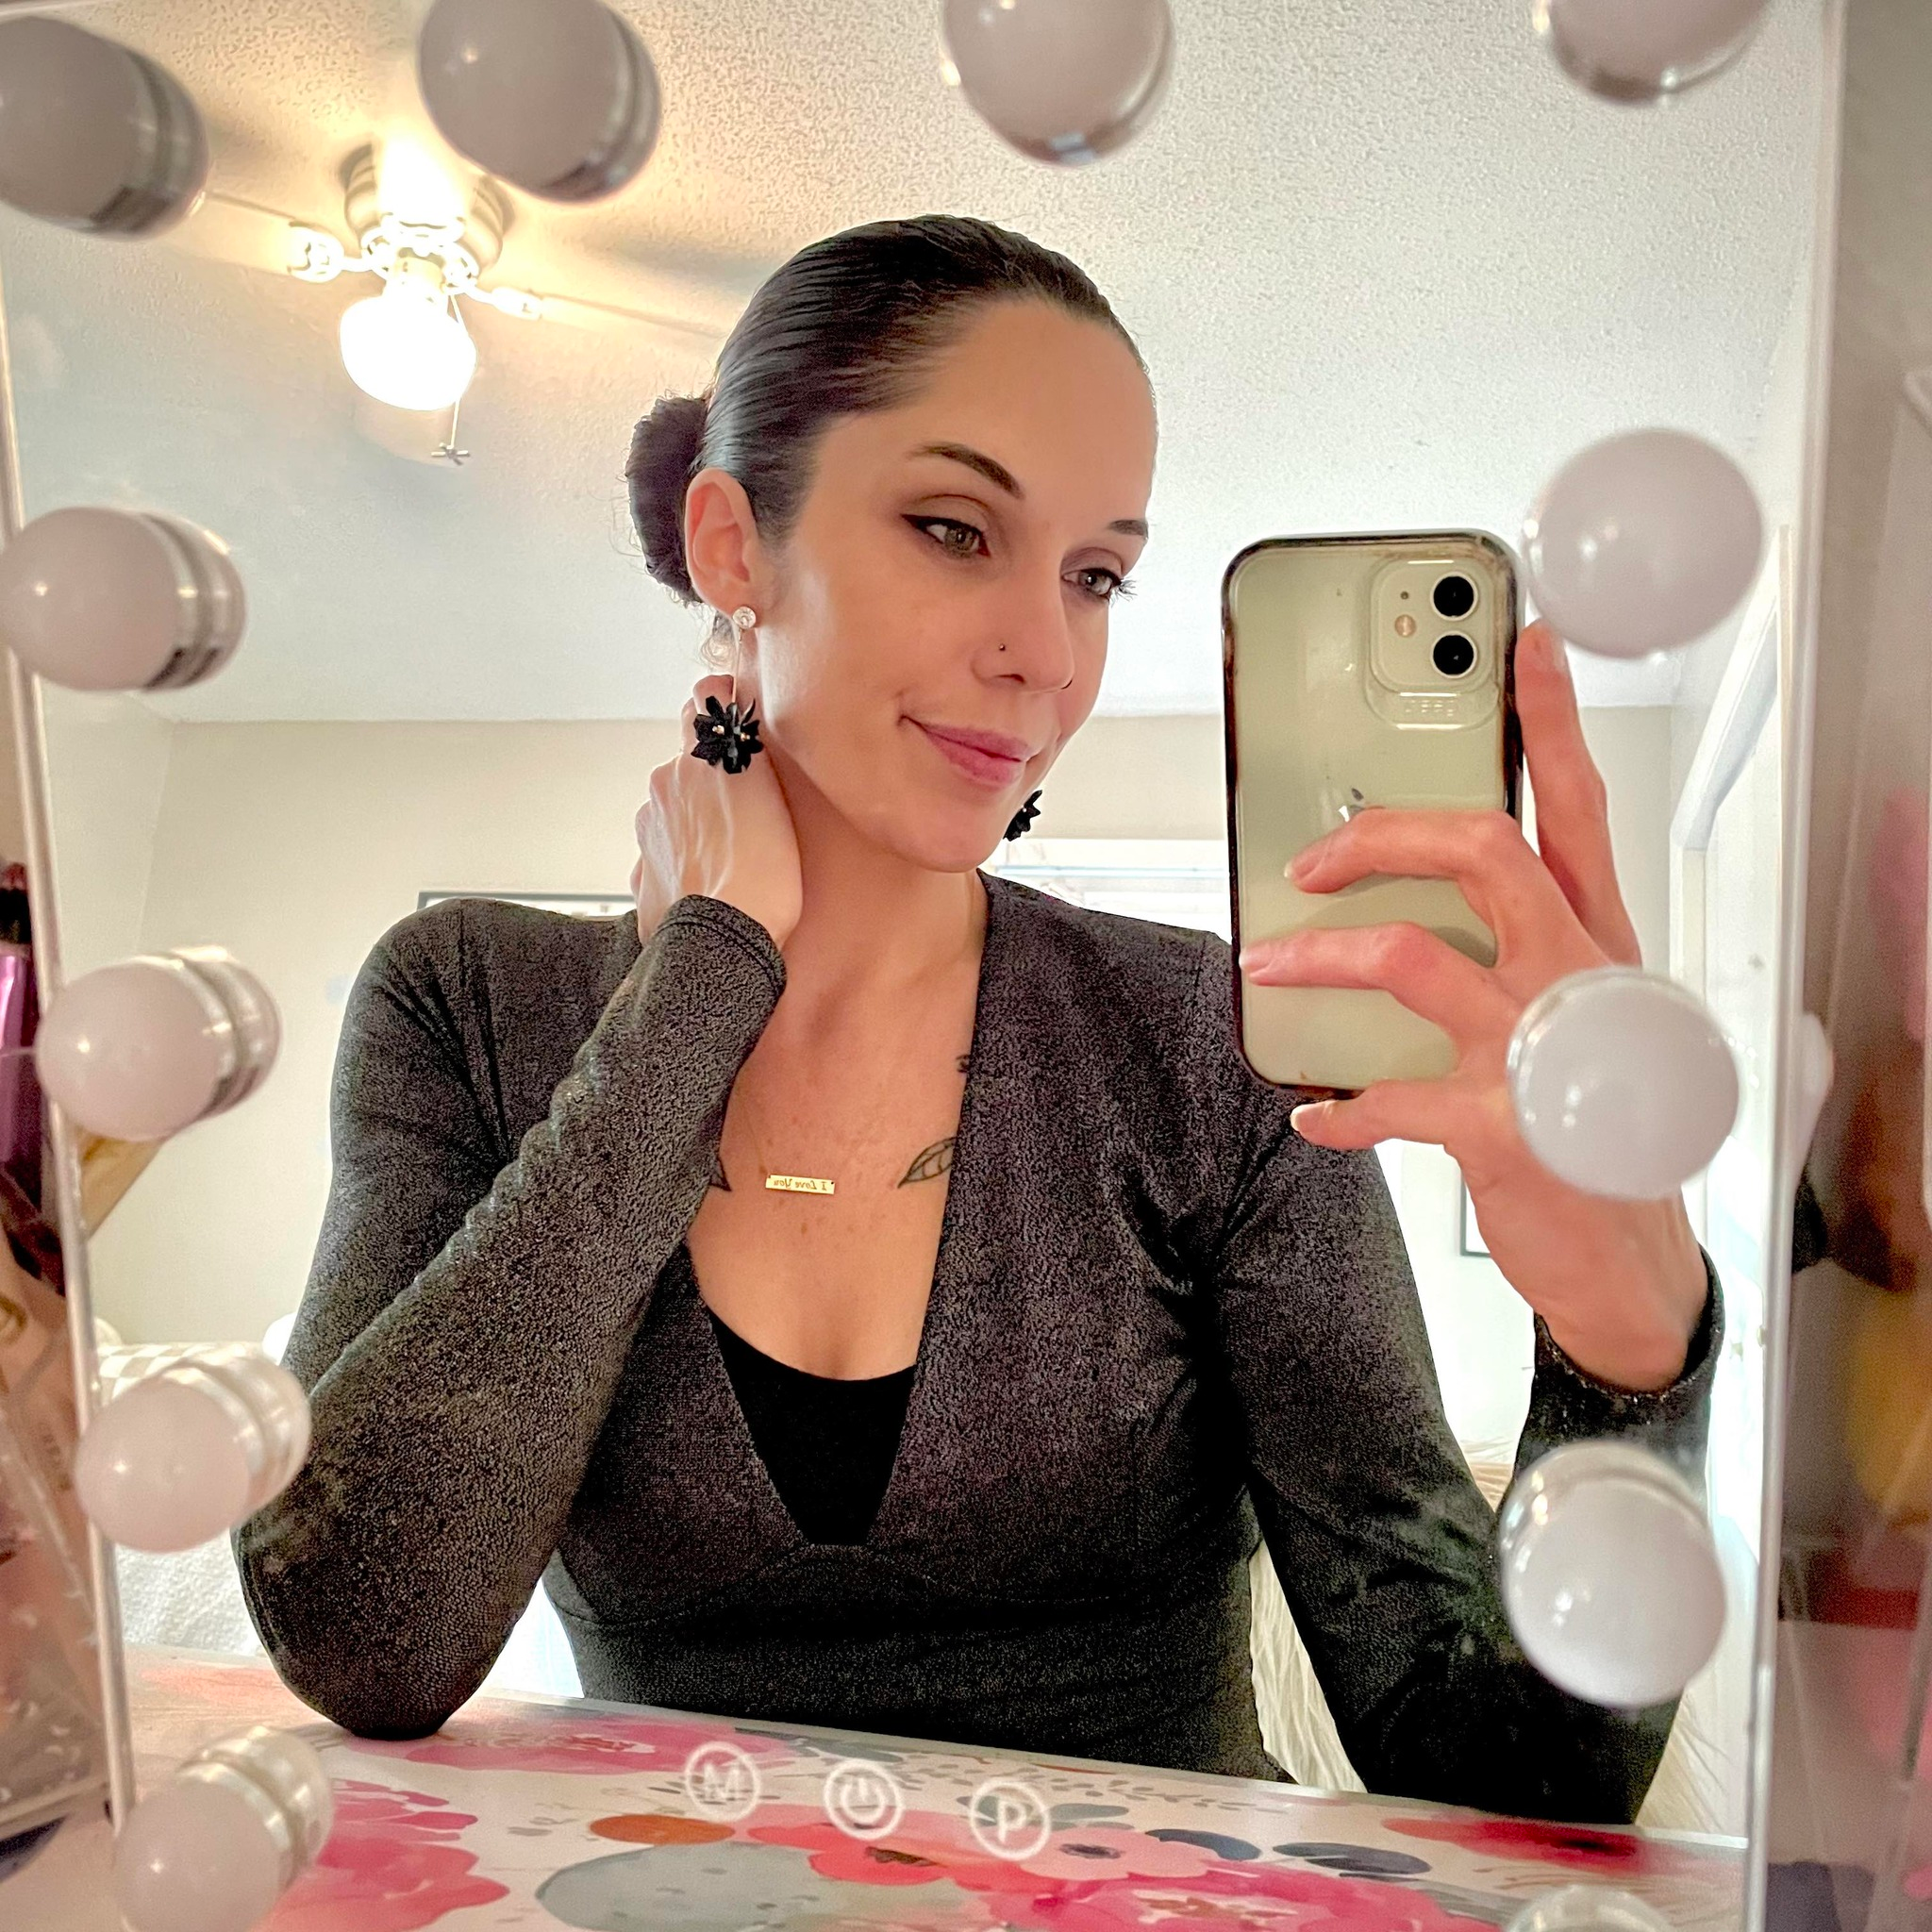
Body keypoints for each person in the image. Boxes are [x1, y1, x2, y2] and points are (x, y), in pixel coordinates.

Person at [236, 214, 1719, 1825]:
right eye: (955, 530)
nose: (1047, 657)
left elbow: (1507, 1774)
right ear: (732, 544)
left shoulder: (1209, 1045)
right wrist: (701, 979)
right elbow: (363, 1632)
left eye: (1097, 575)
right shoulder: (464, 1004)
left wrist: (1628, 1346)